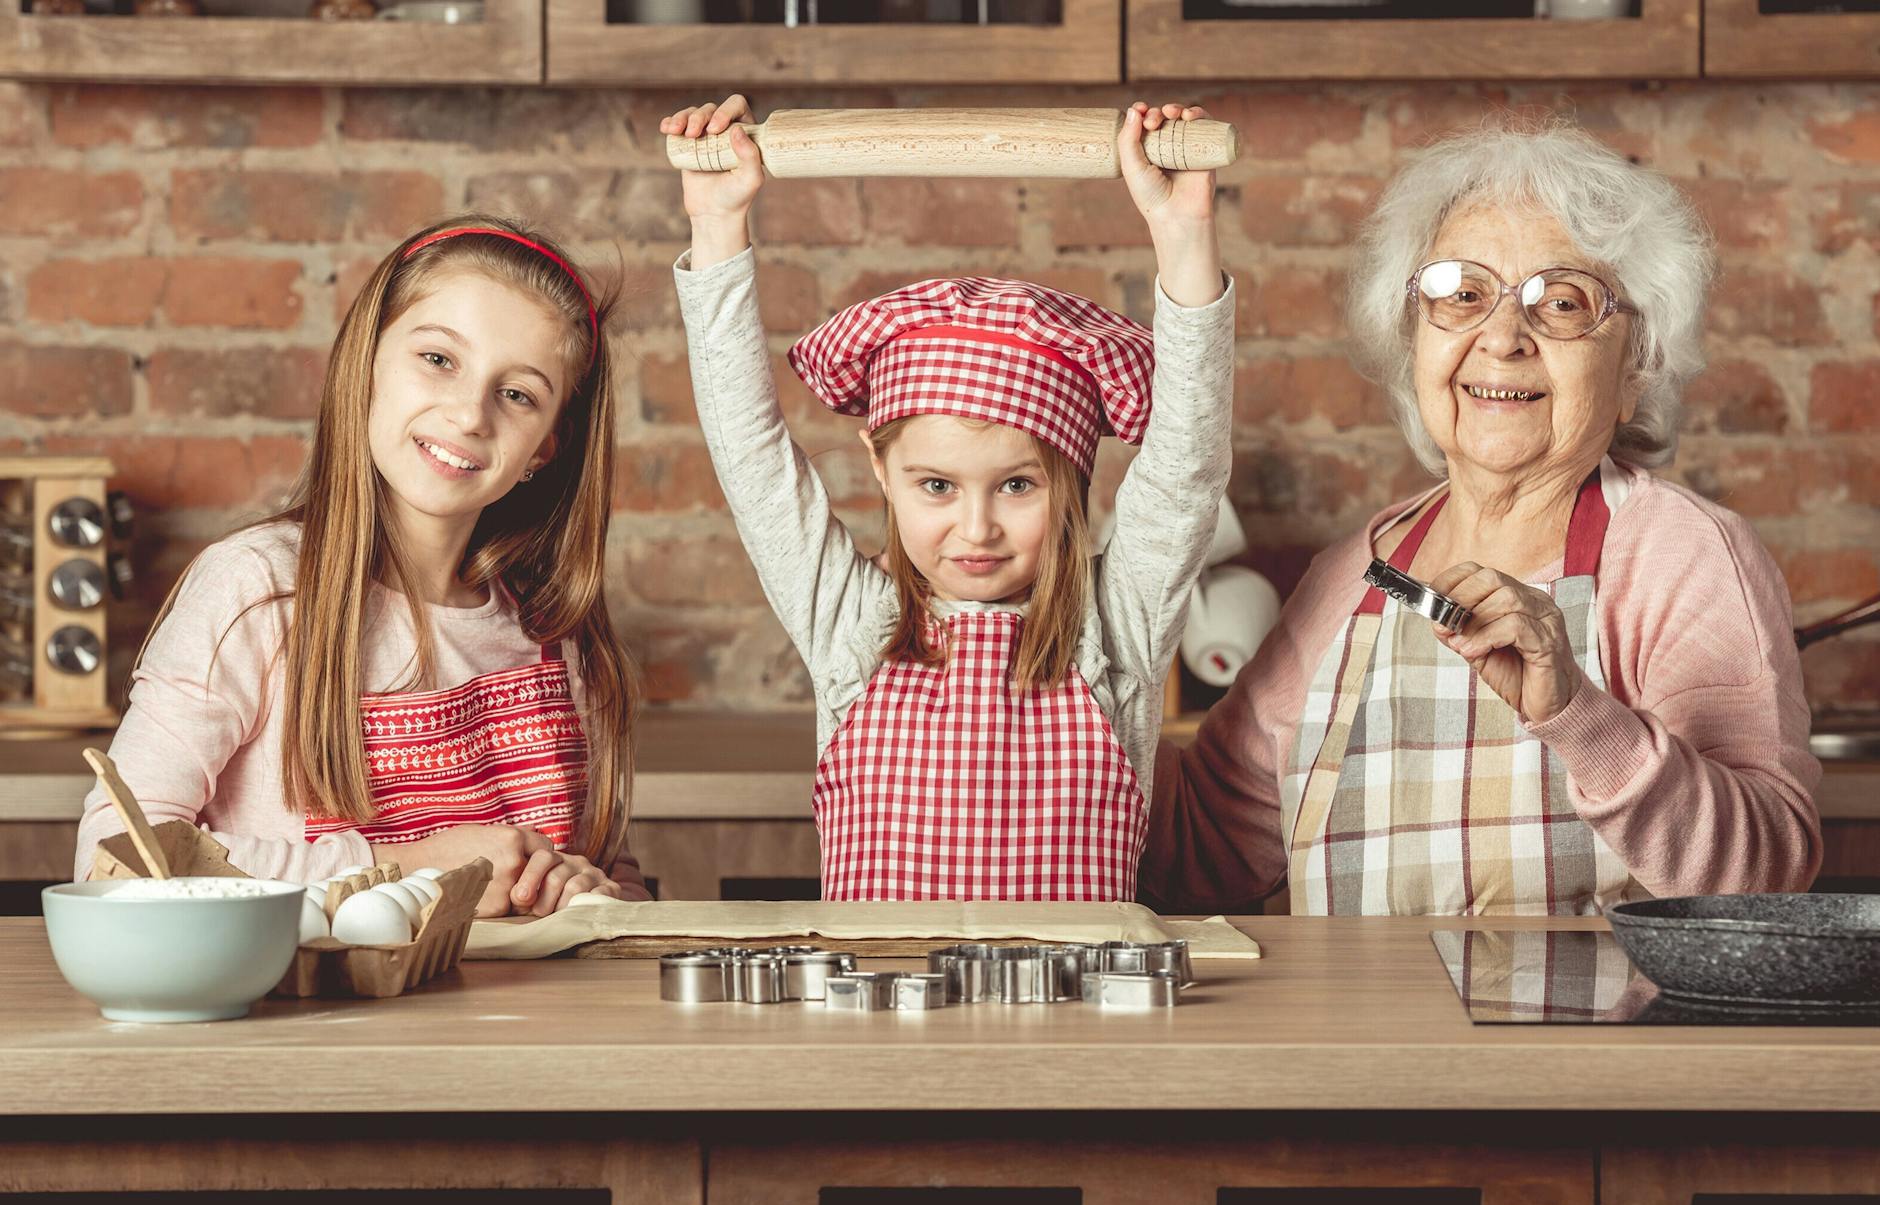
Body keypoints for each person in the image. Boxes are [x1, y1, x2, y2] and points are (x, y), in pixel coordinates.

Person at [1145, 120, 1821, 915]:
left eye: (1562, 303)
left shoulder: (1679, 555)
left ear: (1637, 367)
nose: (1501, 338)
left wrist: (1578, 715)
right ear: (1414, 343)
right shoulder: (1353, 577)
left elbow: (1766, 882)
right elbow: (1200, 856)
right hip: (1361, 1041)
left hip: (1593, 1039)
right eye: (1461, 295)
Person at [664, 95, 1234, 901]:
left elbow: (1186, 466)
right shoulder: (850, 623)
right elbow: (750, 454)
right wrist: (718, 229)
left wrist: (1183, 233)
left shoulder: (1116, 628)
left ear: (1071, 482)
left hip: (1080, 1029)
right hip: (879, 1025)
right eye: (936, 485)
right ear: (880, 467)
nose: (977, 527)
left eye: (1017, 485)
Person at [76, 215, 646, 917]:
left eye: (518, 394)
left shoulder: (558, 632)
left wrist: (597, 895)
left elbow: (618, 880)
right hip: (317, 1027)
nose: (470, 414)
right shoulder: (255, 590)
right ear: (366, 361)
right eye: (438, 359)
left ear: (545, 449)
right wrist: (405, 868)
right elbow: (115, 860)